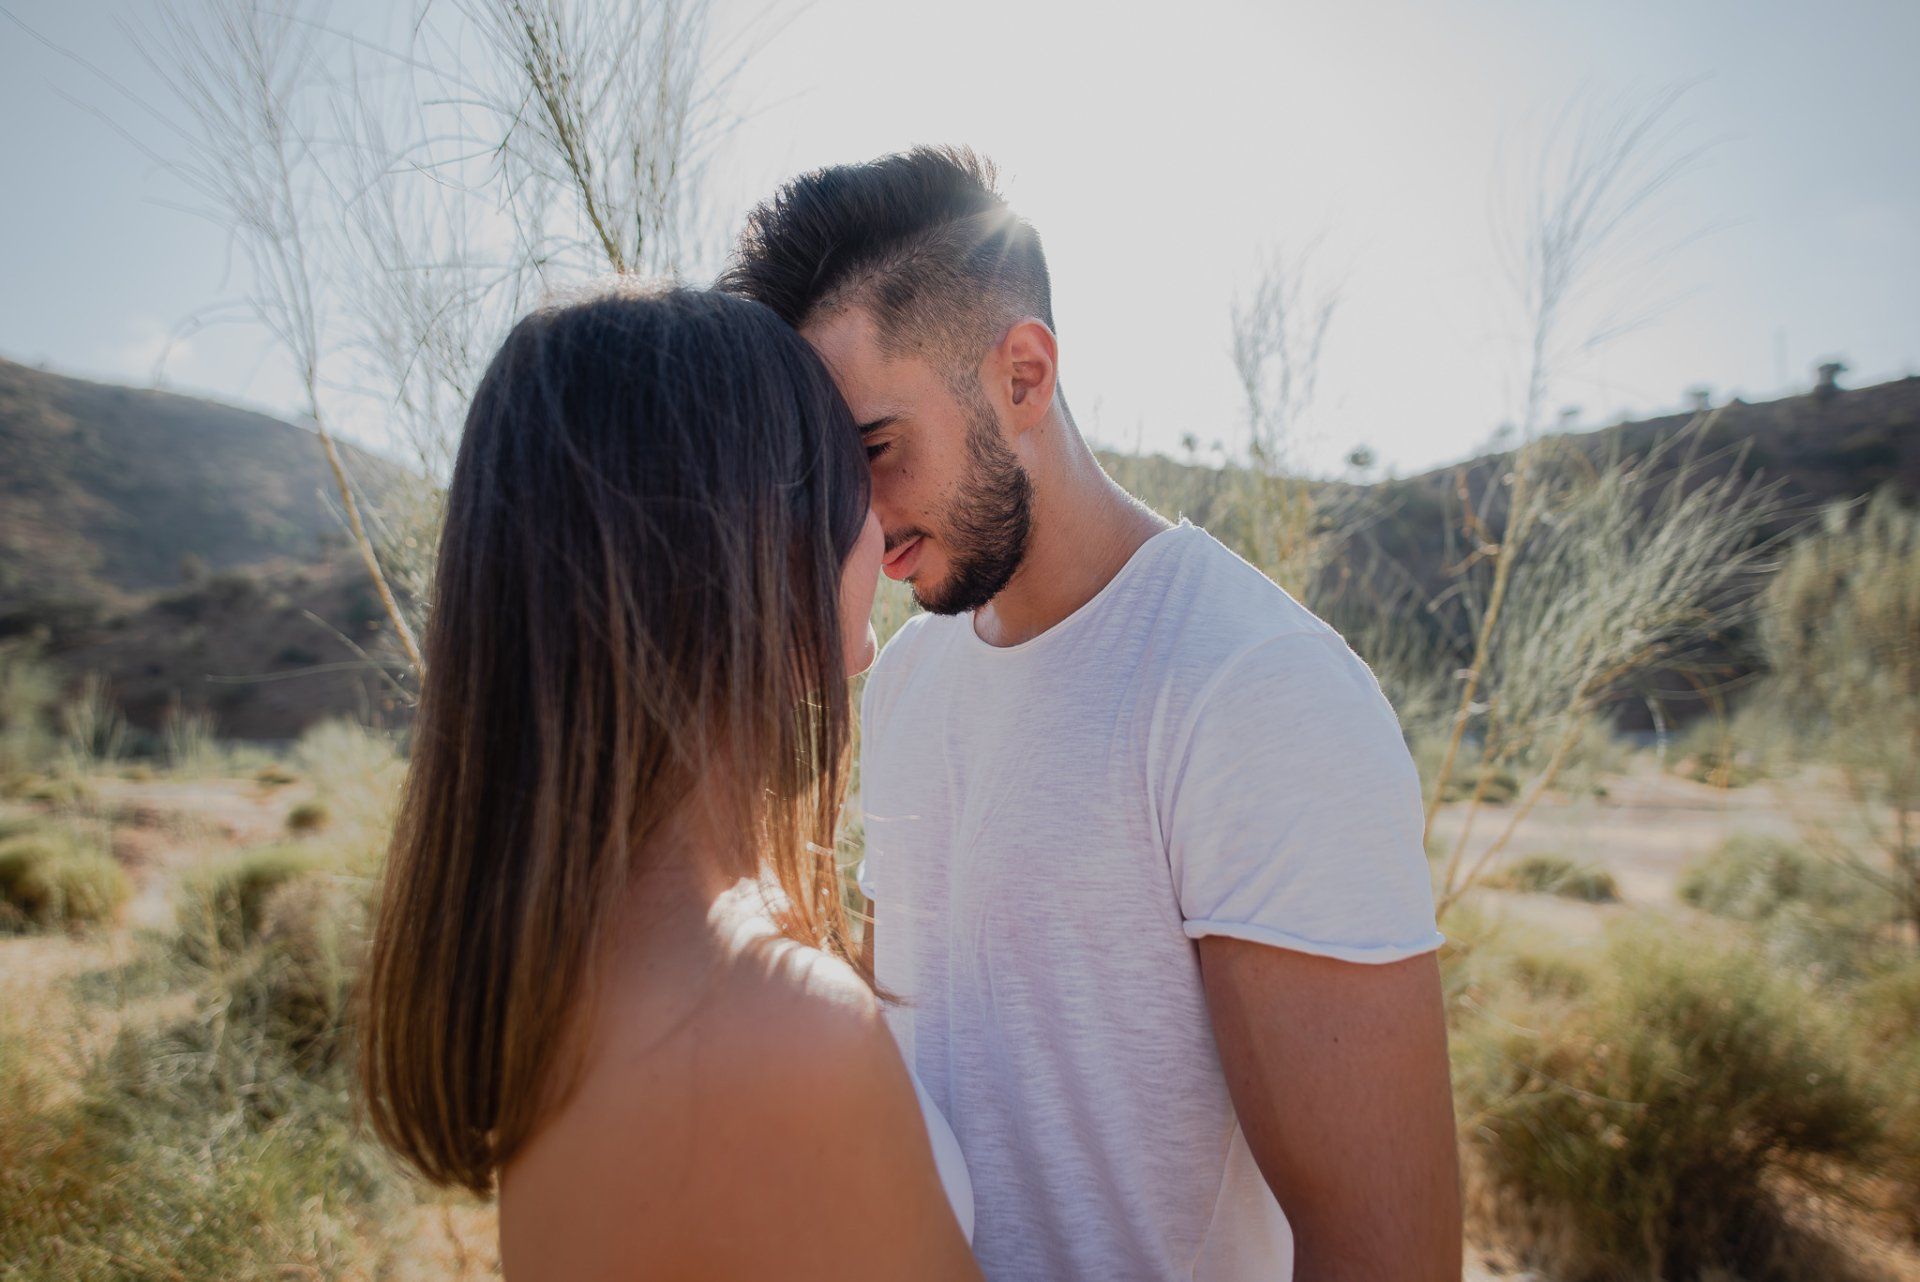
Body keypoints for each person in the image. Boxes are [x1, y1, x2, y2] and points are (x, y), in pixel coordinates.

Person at [720, 147, 1463, 1280]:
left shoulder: (1253, 692)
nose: (856, 516)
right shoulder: (911, 681)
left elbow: (1384, 1250)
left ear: (1023, 374)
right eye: (828, 471)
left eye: (876, 449)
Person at [356, 283, 980, 1281]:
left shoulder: (561, 971)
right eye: (847, 475)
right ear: (756, 547)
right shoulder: (776, 1030)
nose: (879, 527)